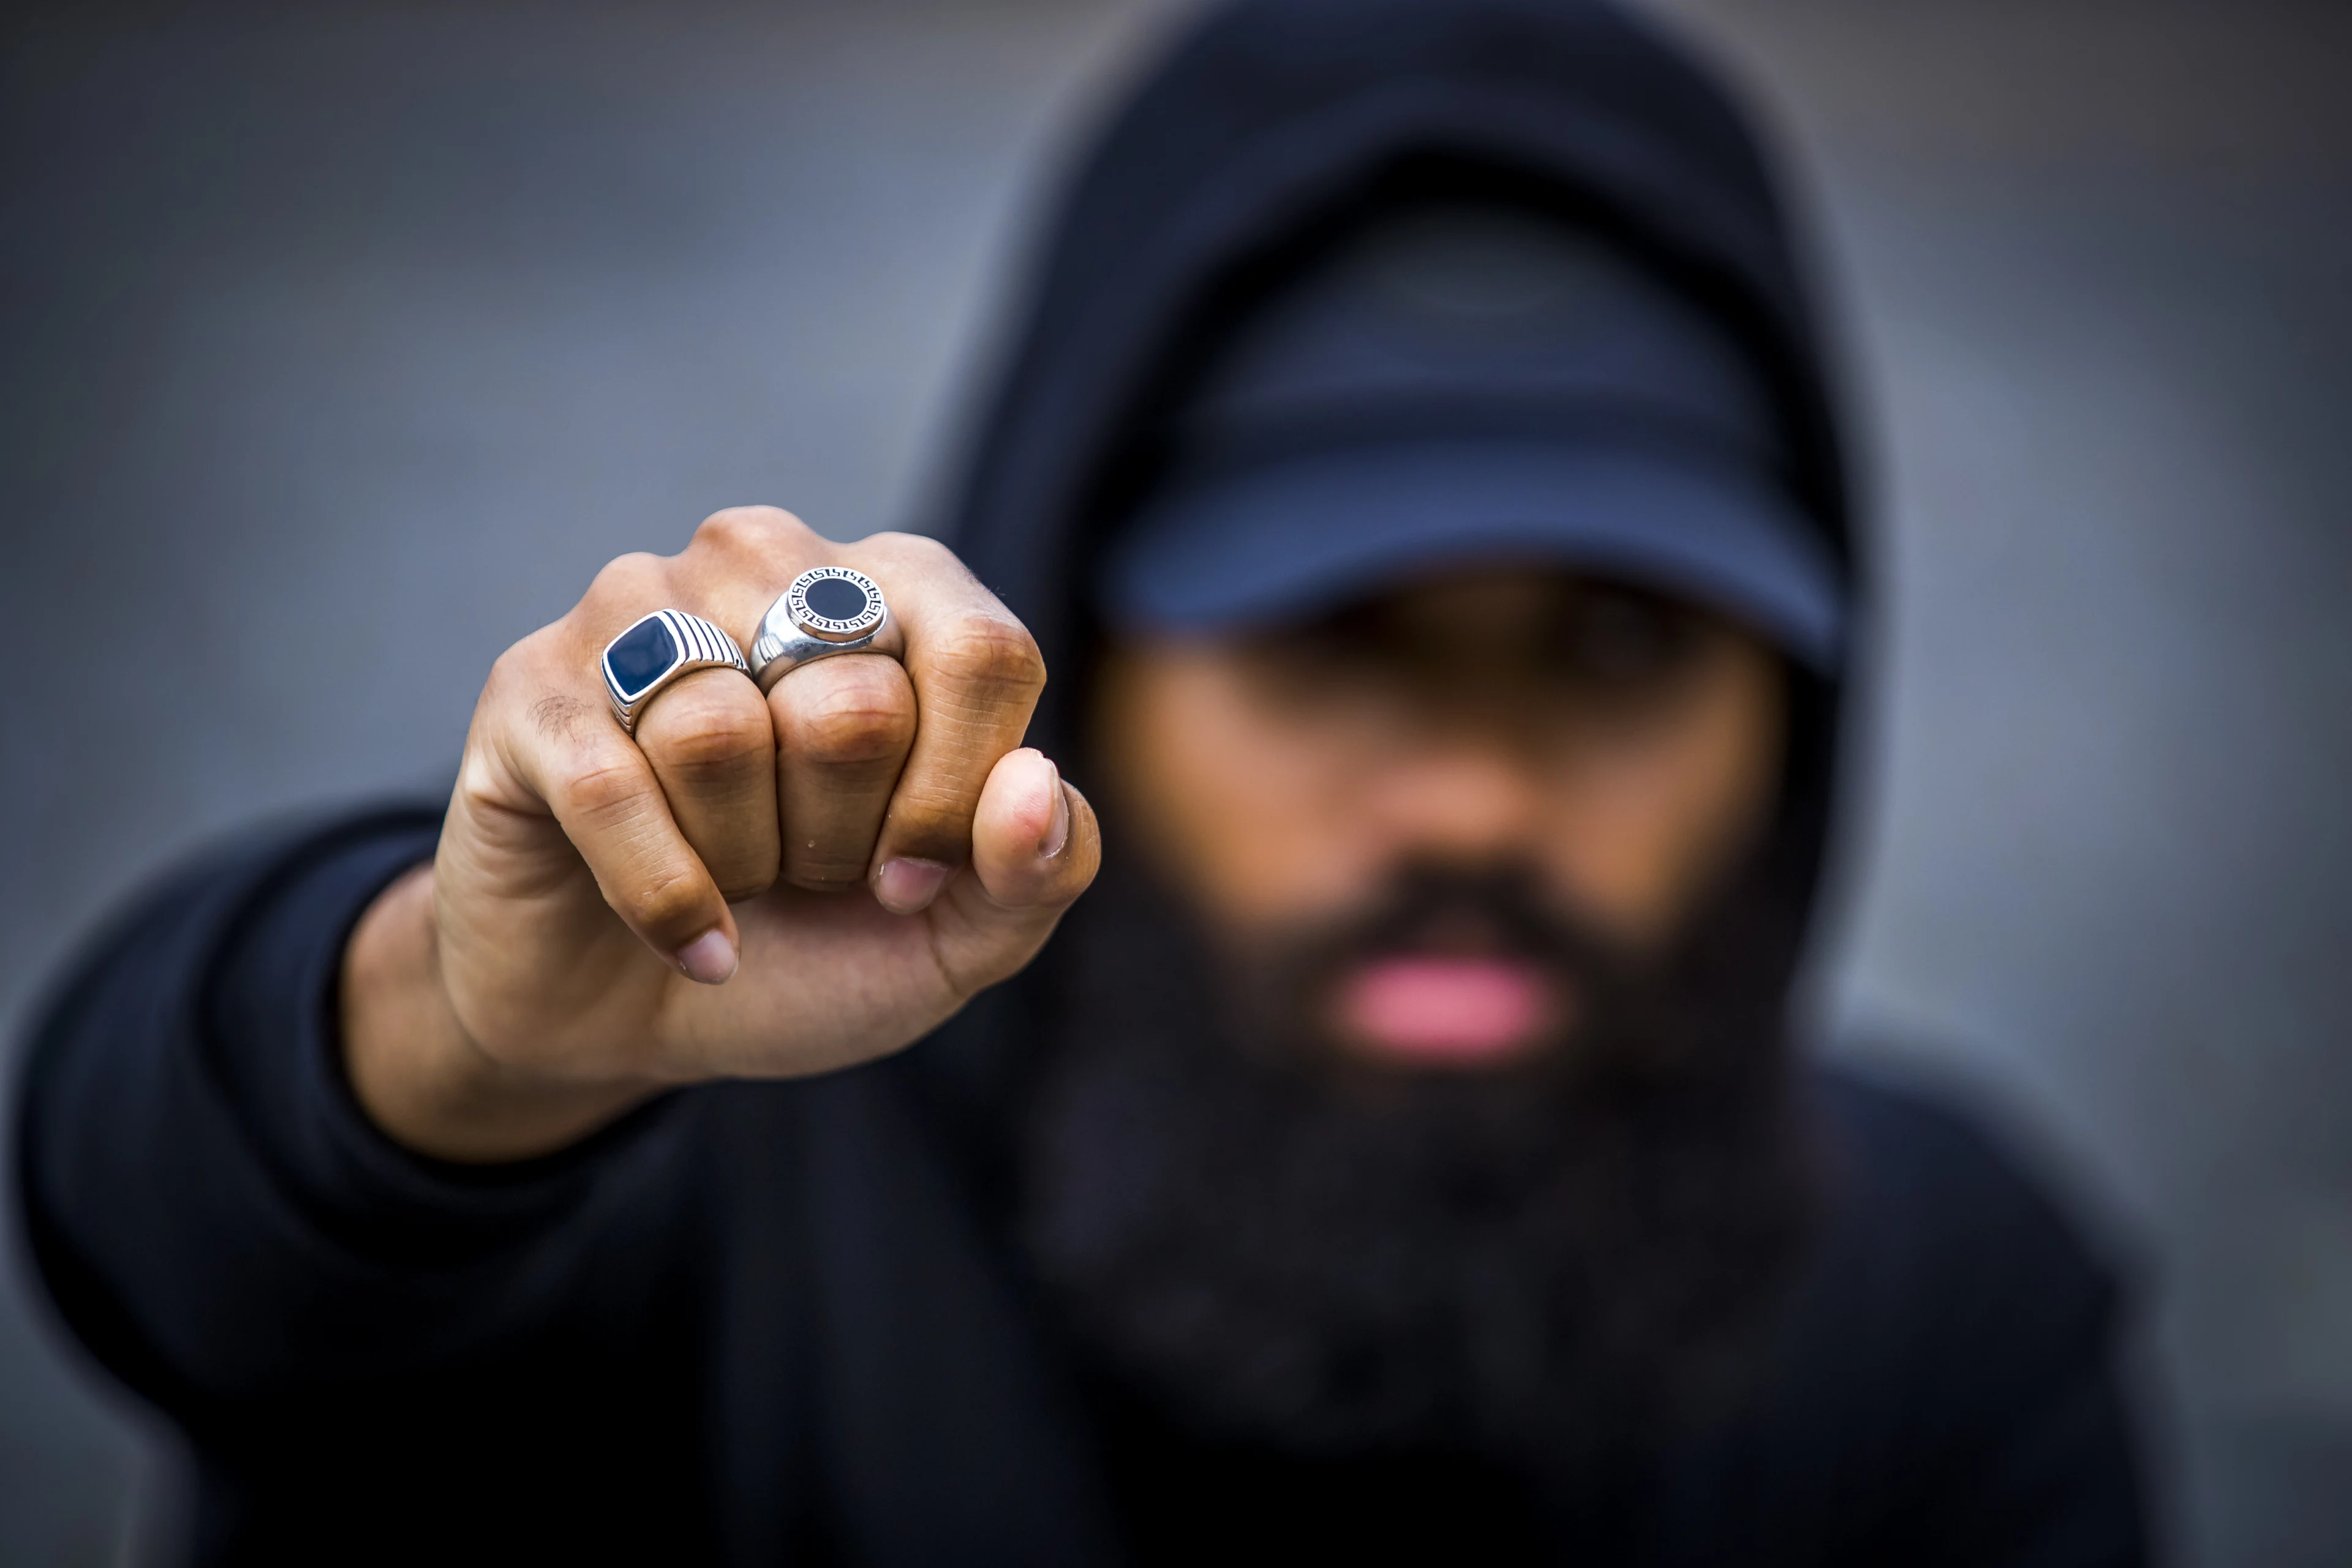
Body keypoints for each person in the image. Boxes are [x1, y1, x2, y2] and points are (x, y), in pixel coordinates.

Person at [15, 1, 2147, 1562]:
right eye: (1334, 635)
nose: (1480, 807)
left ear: (1797, 715)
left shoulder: (1941, 1303)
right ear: (1089, 677)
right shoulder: (678, 1169)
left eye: (1619, 651)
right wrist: (460, 1041)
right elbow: (176, 1212)